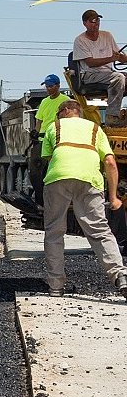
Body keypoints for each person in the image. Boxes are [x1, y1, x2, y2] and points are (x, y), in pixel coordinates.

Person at [41, 99, 127, 298]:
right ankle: (120, 275)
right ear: (78, 112)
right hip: (89, 179)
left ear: (64, 111)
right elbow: (110, 162)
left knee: (54, 231)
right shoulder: (96, 129)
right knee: (100, 231)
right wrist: (113, 197)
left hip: (57, 179)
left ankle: (56, 286)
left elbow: (47, 157)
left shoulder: (55, 127)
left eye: (58, 113)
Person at [72, 9, 127, 126]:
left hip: (108, 73)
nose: (96, 23)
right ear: (85, 23)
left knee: (121, 77)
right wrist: (112, 59)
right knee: (118, 78)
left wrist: (123, 58)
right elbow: (90, 63)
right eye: (92, 21)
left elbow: (118, 55)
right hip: (90, 74)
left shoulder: (107, 35)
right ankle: (112, 116)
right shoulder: (80, 41)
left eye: (98, 20)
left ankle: (122, 113)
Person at [29, 74, 71, 206]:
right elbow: (39, 120)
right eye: (46, 86)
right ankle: (40, 201)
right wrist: (36, 132)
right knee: (35, 169)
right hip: (43, 138)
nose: (48, 88)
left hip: (58, 138)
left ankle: (60, 199)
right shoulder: (44, 101)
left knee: (56, 169)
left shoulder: (66, 101)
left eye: (50, 86)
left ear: (58, 86)